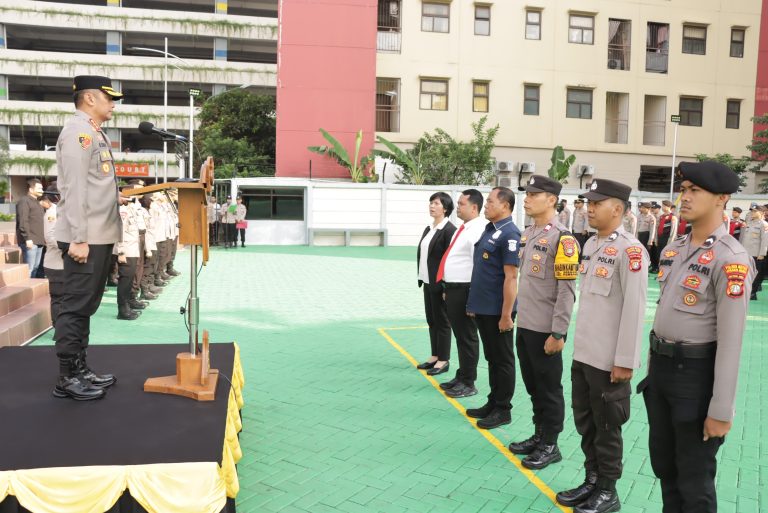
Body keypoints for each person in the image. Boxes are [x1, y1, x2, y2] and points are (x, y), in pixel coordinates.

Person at [639, 161, 754, 513]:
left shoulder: (731, 258)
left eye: (694, 191)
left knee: (695, 477)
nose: (684, 197)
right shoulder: (677, 248)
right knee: (666, 466)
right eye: (683, 190)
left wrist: (721, 409)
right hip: (662, 373)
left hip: (695, 378)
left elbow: (732, 342)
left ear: (721, 199)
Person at [556, 179, 648, 513]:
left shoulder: (631, 251)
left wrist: (625, 360)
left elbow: (635, 310)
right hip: (585, 354)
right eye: (589, 203)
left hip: (610, 360)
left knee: (608, 427)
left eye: (598, 202)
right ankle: (592, 480)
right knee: (586, 422)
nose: (590, 208)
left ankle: (608, 491)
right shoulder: (592, 244)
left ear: (619, 209)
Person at [53, 75, 124, 401]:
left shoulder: (94, 133)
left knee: (87, 305)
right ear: (90, 99)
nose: (113, 104)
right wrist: (79, 238)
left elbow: (95, 185)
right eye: (109, 98)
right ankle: (67, 376)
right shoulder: (79, 133)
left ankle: (80, 368)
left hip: (98, 234)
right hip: (86, 237)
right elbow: (75, 188)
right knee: (76, 306)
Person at [508, 175, 578, 470]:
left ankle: (551, 443)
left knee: (549, 388)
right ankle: (539, 435)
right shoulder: (529, 233)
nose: (526, 198)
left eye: (533, 194)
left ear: (551, 199)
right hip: (526, 324)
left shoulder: (563, 238)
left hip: (546, 329)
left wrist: (559, 331)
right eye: (526, 194)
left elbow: (567, 290)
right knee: (533, 385)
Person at [465, 187, 521, 430]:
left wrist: (507, 315)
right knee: (492, 359)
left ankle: (503, 409)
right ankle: (493, 401)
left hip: (499, 312)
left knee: (503, 360)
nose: (485, 205)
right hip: (484, 308)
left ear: (505, 206)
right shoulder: (490, 229)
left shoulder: (509, 234)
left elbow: (511, 278)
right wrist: (474, 305)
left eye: (489, 201)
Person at [437, 189, 485, 398]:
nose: (458, 206)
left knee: (467, 337)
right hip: (455, 288)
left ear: (474, 207)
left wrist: (473, 298)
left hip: (466, 289)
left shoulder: (478, 229)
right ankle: (462, 374)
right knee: (460, 335)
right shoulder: (465, 228)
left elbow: (477, 265)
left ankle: (468, 382)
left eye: (462, 203)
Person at [416, 192, 457, 376]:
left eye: (436, 203)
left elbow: (450, 260)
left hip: (440, 284)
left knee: (442, 322)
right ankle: (434, 355)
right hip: (427, 281)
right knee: (432, 320)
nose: (432, 206)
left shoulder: (449, 230)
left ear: (446, 208)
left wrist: (446, 286)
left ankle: (444, 359)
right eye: (431, 203)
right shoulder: (430, 228)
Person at [115, 186, 142, 321]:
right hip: (126, 251)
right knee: (125, 281)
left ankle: (127, 306)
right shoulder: (122, 211)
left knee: (129, 280)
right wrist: (120, 251)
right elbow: (120, 232)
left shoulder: (130, 209)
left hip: (133, 250)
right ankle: (122, 310)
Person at [41, 186, 63, 324]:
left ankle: (63, 327)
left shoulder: (62, 210)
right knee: (58, 298)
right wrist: (69, 248)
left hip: (64, 263)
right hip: (56, 263)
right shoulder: (53, 212)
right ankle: (58, 328)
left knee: (66, 298)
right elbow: (50, 237)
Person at [16, 178, 46, 277]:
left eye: (42, 188)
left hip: (39, 241)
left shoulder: (37, 203)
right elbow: (23, 221)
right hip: (30, 241)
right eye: (39, 188)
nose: (42, 190)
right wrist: (27, 238)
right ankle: (25, 289)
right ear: (31, 189)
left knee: (36, 268)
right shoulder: (24, 201)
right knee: (29, 269)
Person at [740, 204, 767, 301]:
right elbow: (743, 239)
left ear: (760, 212)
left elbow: (765, 240)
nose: (752, 212)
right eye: (751, 211)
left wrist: (762, 254)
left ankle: (752, 293)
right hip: (746, 254)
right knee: (745, 273)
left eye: (754, 211)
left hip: (756, 254)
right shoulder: (749, 223)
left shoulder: (764, 224)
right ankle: (746, 291)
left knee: (755, 275)